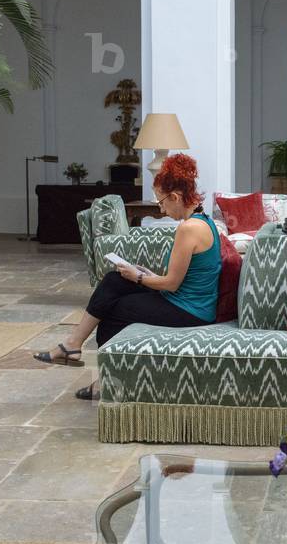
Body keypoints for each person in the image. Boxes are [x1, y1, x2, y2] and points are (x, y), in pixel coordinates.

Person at [34, 153, 220, 399]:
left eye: (162, 201)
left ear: (175, 197)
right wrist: (145, 274)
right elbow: (180, 278)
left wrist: (139, 277)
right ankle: (73, 345)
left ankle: (105, 382)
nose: (160, 208)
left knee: (114, 314)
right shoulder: (202, 222)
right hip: (186, 301)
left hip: (190, 310)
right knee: (114, 280)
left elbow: (172, 285)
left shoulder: (189, 229)